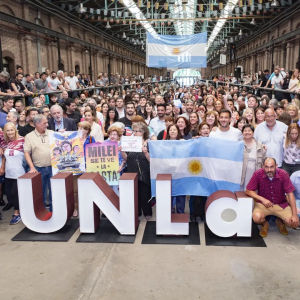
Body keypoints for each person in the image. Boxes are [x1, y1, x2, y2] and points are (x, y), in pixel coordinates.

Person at [246, 157, 299, 237]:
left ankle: (279, 220)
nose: (269, 170)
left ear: (276, 166)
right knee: (256, 218)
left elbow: (290, 194)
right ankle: (265, 224)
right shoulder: (258, 173)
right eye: (266, 167)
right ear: (263, 166)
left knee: (292, 222)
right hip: (263, 205)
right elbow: (248, 190)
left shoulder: (283, 174)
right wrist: (262, 199)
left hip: (281, 204)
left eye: (272, 167)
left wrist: (294, 215)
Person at [121, 122, 152, 220]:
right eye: (133, 131)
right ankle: (137, 212)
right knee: (134, 194)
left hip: (144, 172)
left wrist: (146, 153)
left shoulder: (149, 143)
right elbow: (126, 158)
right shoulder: (130, 142)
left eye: (136, 131)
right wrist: (121, 151)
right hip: (132, 171)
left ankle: (147, 212)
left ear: (142, 132)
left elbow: (152, 160)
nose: (134, 133)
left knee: (145, 194)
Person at [24, 115, 53, 211]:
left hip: (53, 168)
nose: (47, 125)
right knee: (40, 193)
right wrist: (32, 167)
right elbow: (26, 153)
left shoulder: (52, 133)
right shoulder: (29, 136)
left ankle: (55, 212)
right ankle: (42, 213)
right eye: (44, 123)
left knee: (54, 192)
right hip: (38, 168)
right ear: (37, 124)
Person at [0, 123, 25, 224]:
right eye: (7, 130)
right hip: (8, 173)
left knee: (15, 193)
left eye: (11, 130)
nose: (10, 132)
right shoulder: (5, 143)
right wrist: (2, 167)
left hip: (20, 173)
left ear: (15, 130)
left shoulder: (23, 140)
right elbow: (5, 157)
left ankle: (17, 214)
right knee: (9, 194)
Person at [240, 125, 266, 191]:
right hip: (241, 173)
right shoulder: (238, 143)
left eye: (249, 131)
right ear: (242, 133)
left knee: (253, 191)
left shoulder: (259, 144)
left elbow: (263, 159)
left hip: (255, 172)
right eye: (245, 131)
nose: (247, 132)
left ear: (253, 133)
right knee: (241, 192)